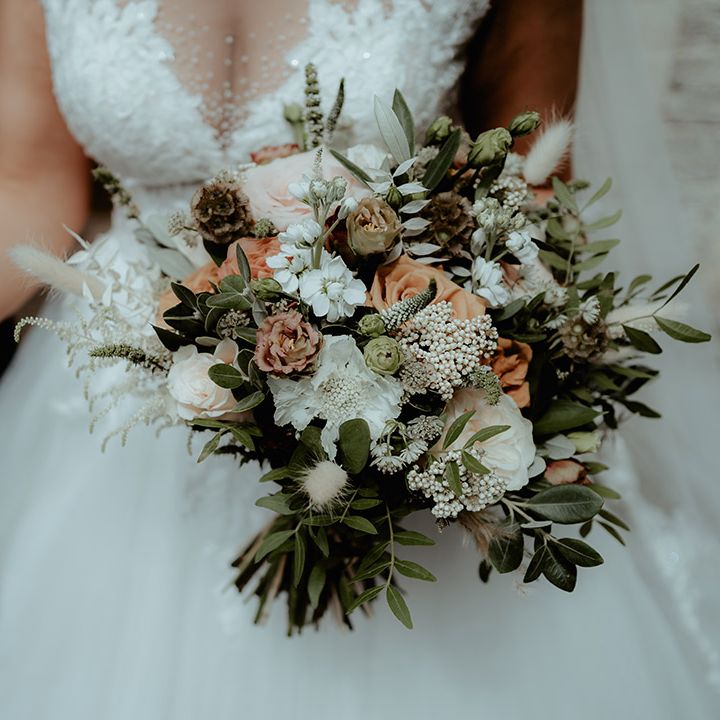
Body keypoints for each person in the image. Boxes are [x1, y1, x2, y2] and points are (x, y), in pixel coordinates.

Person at [0, 1, 717, 718]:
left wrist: (420, 383)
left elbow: (533, 189)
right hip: (123, 393)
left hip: (397, 359)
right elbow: (26, 180)